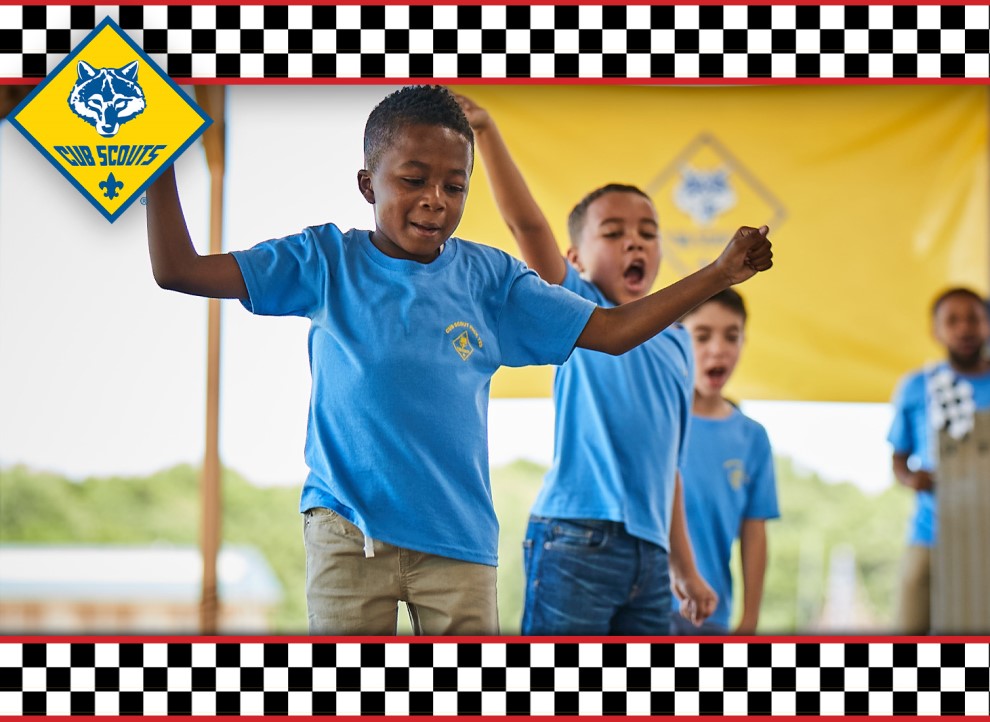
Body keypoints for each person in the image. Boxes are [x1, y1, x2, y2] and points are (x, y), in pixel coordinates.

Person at [147, 85, 773, 636]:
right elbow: (180, 269)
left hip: (460, 543)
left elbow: (610, 332)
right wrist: (157, 167)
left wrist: (719, 272)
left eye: (454, 185)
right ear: (368, 183)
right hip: (345, 533)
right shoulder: (324, 262)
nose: (435, 200)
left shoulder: (491, 280)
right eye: (412, 180)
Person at [458, 93, 772, 635]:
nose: (635, 242)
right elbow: (527, 227)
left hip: (650, 559)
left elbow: (666, 467)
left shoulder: (679, 345)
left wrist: (685, 567)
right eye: (613, 233)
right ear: (575, 258)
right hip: (576, 539)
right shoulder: (578, 305)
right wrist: (485, 131)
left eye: (648, 233)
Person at [669, 289, 779, 636]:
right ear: (676, 340)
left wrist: (750, 619)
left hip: (712, 612)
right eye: (702, 336)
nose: (718, 348)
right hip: (648, 606)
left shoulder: (752, 437)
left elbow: (754, 531)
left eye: (732, 336)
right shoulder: (661, 418)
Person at [887, 287, 990, 635]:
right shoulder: (918, 386)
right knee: (909, 626)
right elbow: (898, 458)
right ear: (936, 330)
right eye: (953, 320)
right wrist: (911, 478)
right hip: (931, 529)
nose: (965, 328)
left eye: (974, 318)